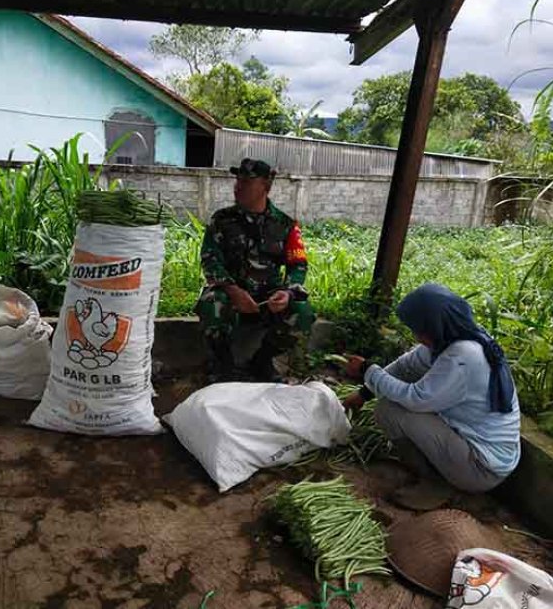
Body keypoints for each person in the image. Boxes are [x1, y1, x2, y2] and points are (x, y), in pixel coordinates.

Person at [342, 283, 521, 510]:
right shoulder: (454, 336)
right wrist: (364, 393)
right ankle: (438, 472)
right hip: (476, 451)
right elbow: (406, 366)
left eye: (418, 330)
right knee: (397, 394)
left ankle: (436, 483)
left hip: (480, 468)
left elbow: (415, 399)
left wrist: (368, 369)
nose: (417, 337)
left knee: (391, 410)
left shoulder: (462, 356)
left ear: (433, 327)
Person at [195, 157, 314, 382]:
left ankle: (262, 362)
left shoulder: (285, 225)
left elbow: (298, 264)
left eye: (247, 183)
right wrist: (233, 290)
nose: (238, 187)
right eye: (237, 181)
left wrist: (287, 293)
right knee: (211, 304)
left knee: (303, 312)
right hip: (231, 292)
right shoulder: (222, 220)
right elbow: (210, 259)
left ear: (265, 187)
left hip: (267, 297)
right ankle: (223, 366)